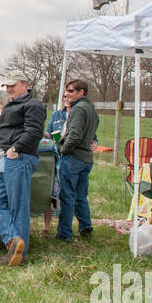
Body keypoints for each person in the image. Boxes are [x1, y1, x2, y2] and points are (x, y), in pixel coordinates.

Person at [0, 71, 45, 267]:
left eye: (13, 85)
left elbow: (34, 132)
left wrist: (15, 148)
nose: (9, 89)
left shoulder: (33, 104)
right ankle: (14, 242)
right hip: (5, 158)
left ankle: (20, 255)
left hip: (18, 158)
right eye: (7, 86)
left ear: (24, 84)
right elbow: (8, 130)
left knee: (18, 206)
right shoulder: (13, 104)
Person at [56, 79, 99, 241]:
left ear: (81, 92)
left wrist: (63, 149)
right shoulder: (92, 110)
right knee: (81, 196)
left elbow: (74, 135)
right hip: (86, 159)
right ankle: (85, 227)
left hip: (74, 158)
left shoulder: (78, 109)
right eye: (67, 91)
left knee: (67, 196)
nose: (67, 94)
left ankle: (64, 233)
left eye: (71, 91)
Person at [42, 99, 69, 236]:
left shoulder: (78, 115)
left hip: (69, 159)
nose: (67, 98)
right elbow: (48, 133)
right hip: (55, 158)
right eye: (65, 96)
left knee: (66, 195)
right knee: (51, 192)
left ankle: (64, 228)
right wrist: (43, 134)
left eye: (69, 94)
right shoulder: (56, 115)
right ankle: (47, 226)